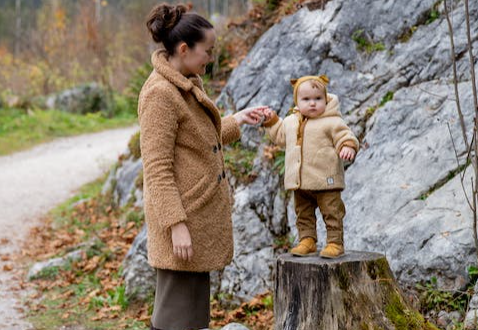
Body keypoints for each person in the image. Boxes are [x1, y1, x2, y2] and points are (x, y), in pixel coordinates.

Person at [138, 3, 269, 330]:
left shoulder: (185, 80)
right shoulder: (160, 94)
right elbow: (156, 169)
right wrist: (176, 225)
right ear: (184, 49)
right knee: (173, 319)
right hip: (181, 222)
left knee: (193, 318)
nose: (211, 57)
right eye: (207, 51)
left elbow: (198, 141)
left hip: (195, 219)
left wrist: (236, 120)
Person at [262, 75, 359, 259]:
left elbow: (344, 135)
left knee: (332, 212)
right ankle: (307, 240)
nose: (312, 103)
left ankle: (335, 242)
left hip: (326, 180)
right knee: (303, 214)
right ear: (297, 101)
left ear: (326, 99)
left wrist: (347, 146)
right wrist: (272, 120)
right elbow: (280, 137)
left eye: (318, 99)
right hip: (301, 182)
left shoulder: (331, 121)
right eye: (306, 99)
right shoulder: (291, 121)